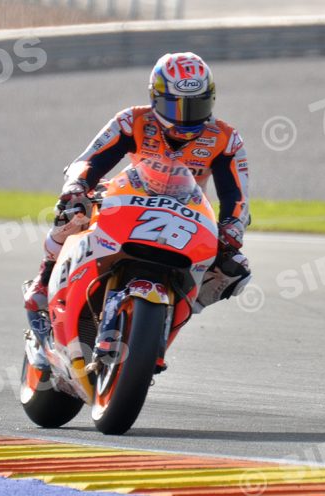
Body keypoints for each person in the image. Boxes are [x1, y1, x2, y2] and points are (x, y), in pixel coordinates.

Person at [23, 52, 252, 328]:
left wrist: (231, 227)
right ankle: (46, 276)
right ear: (155, 98)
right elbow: (90, 159)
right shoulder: (132, 120)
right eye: (175, 107)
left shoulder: (226, 139)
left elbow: (237, 195)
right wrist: (77, 186)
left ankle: (181, 310)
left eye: (196, 106)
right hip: (129, 198)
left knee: (236, 267)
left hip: (187, 213)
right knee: (72, 211)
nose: (186, 118)